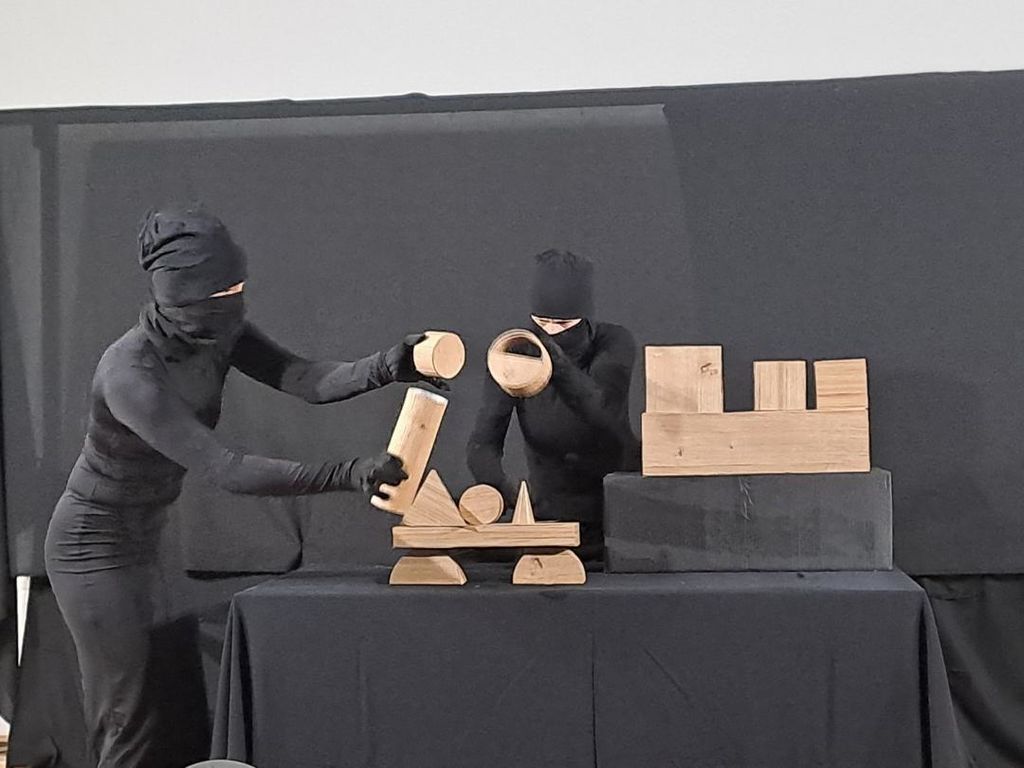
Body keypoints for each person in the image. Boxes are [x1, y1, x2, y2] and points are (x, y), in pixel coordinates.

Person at [43, 204, 439, 768]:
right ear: (179, 296)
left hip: (145, 540)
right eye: (220, 293)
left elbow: (303, 377)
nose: (234, 303)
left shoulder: (216, 331)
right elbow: (226, 468)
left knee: (173, 704)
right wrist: (345, 473)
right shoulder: (129, 373)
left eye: (238, 288)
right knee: (126, 718)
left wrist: (389, 364)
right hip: (91, 549)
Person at [466, 249, 640, 562]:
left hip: (617, 517)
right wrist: (509, 496)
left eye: (562, 323)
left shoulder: (614, 343)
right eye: (541, 322)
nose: (550, 331)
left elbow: (603, 412)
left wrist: (556, 364)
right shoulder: (516, 351)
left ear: (584, 319)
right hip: (549, 514)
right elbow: (483, 443)